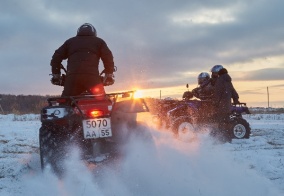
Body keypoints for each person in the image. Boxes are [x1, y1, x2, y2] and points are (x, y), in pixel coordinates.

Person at [50, 23, 115, 97]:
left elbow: (56, 57)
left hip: (72, 78)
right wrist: (109, 74)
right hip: (92, 78)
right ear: (94, 32)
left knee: (66, 103)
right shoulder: (99, 42)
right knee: (102, 101)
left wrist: (56, 75)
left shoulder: (70, 42)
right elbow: (108, 58)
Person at [210, 64, 240, 141]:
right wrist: (236, 99)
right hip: (227, 105)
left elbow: (218, 93)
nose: (212, 75)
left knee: (219, 122)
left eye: (213, 73)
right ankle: (227, 137)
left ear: (217, 72)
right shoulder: (227, 80)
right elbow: (233, 90)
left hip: (221, 106)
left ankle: (222, 138)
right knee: (226, 121)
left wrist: (215, 103)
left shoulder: (220, 80)